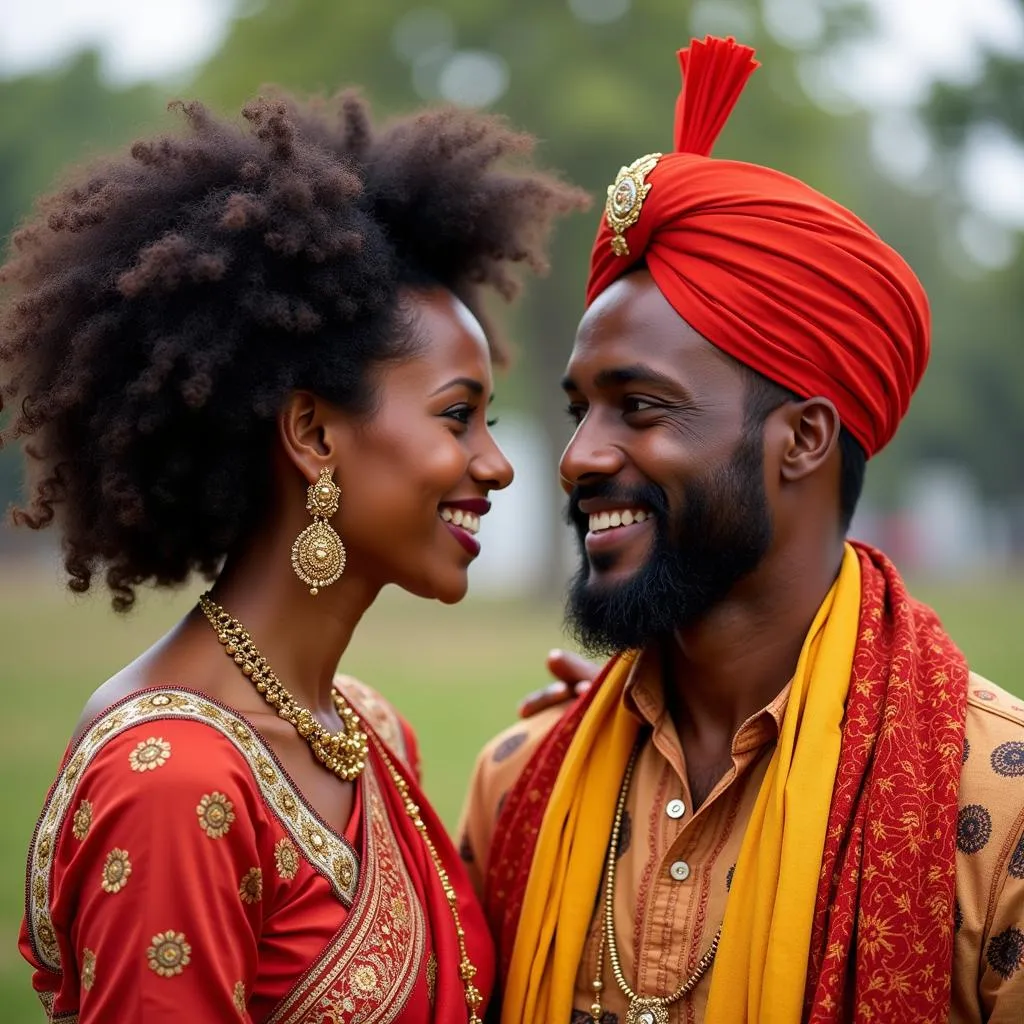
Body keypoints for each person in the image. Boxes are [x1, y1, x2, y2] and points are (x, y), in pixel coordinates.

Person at [459, 35, 1024, 1024]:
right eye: (581, 406)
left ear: (801, 438)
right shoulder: (521, 783)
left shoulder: (994, 807)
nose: (579, 455)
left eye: (639, 406)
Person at [4, 88, 586, 1022]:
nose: (498, 464)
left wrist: (586, 755)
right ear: (313, 432)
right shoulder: (173, 782)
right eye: (455, 416)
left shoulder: (368, 732)